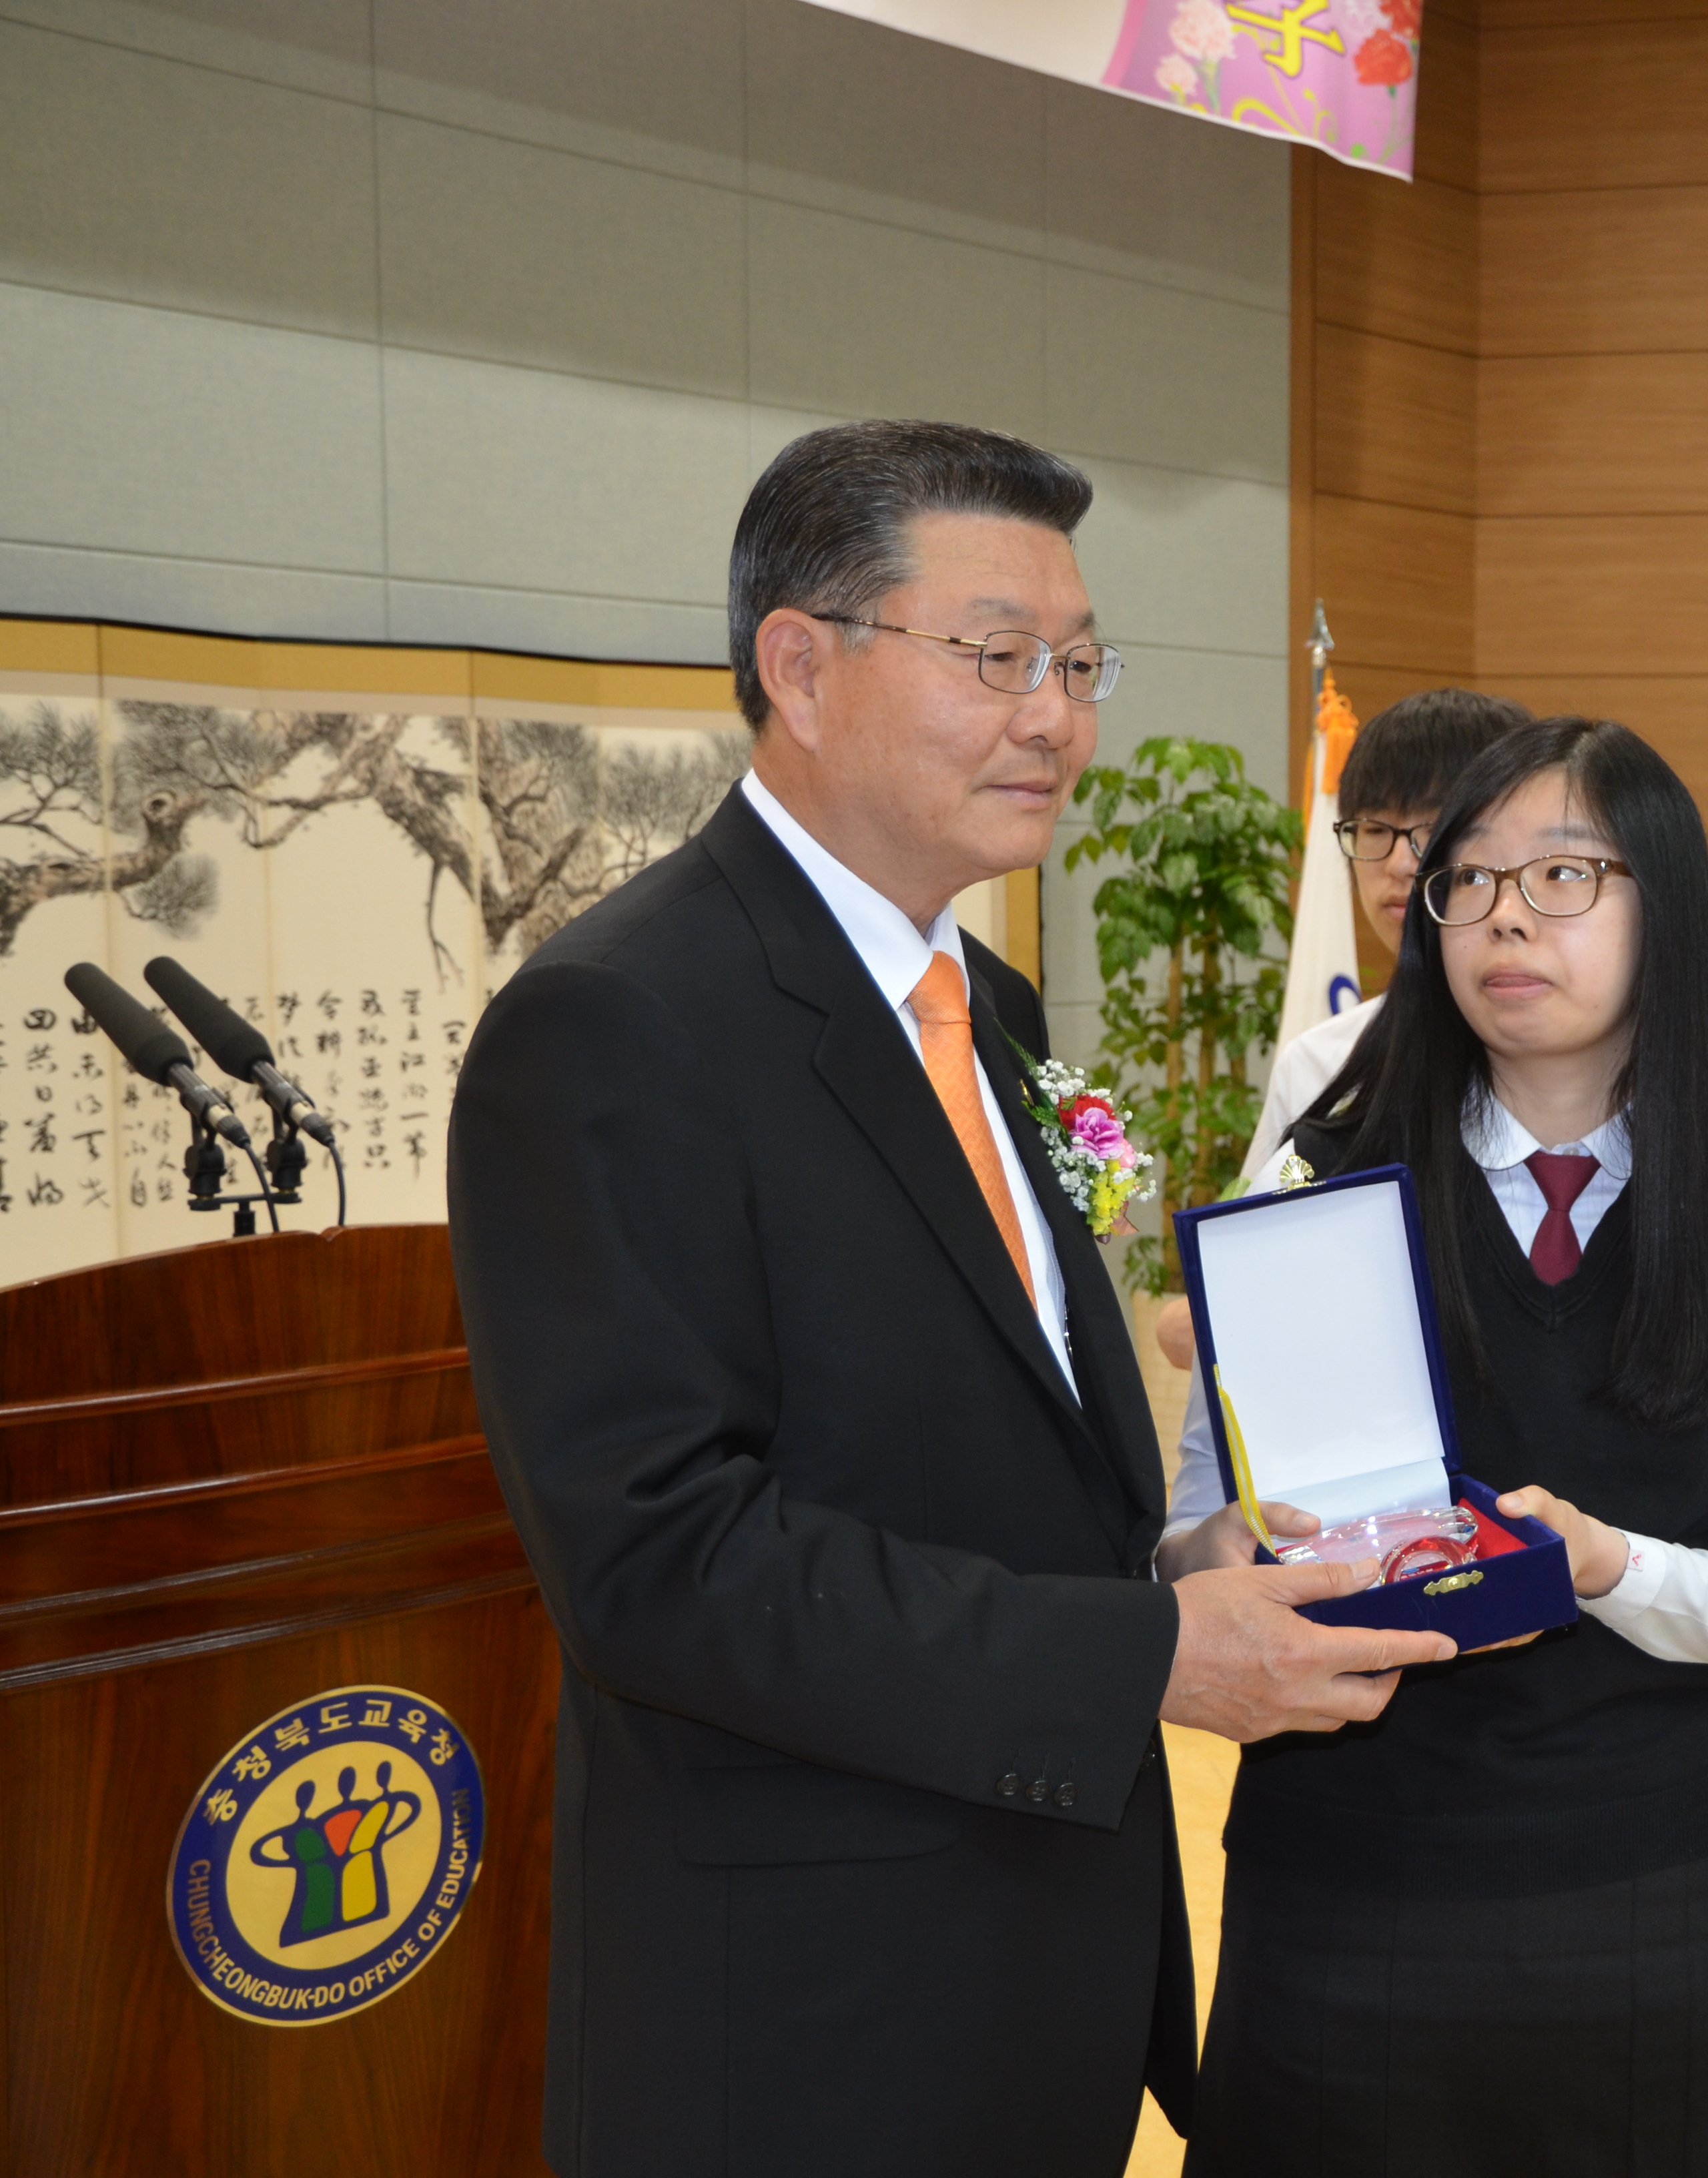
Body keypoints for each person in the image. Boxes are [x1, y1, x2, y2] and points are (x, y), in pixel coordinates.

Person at [446, 420, 1452, 2176]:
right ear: (800, 666)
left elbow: (970, 1444)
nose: (1058, 716)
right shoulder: (622, 1022)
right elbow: (660, 1565)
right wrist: (1147, 1653)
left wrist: (1173, 1566)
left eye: (1077, 664)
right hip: (810, 2009)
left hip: (1034, 1954)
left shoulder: (986, 1006)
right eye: (996, 659)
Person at [1165, 717, 1708, 2177]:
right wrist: (1217, 1555)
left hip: (1635, 1887)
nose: (1502, 918)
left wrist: (1603, 1565)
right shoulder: (1323, 1174)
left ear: (1658, 902)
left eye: (1562, 876)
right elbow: (1185, 1528)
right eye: (1466, 880)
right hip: (1344, 1870)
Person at [1234, 686, 1533, 1184]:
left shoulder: (1568, 1057)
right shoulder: (1318, 1065)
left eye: (1432, 828)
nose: (1400, 864)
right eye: (1374, 829)